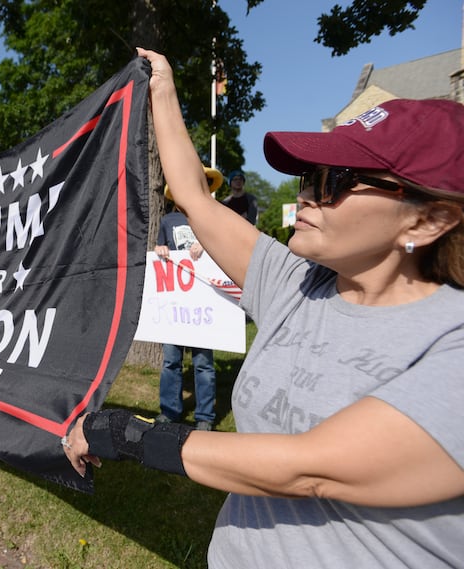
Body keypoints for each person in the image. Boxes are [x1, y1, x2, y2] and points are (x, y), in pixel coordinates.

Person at [63, 48, 464, 569]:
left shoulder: (450, 339)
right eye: (309, 177)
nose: (309, 196)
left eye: (336, 180)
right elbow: (193, 196)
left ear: (427, 221)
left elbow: (309, 470)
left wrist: (125, 433)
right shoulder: (297, 283)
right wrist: (162, 86)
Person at [154, 170, 222, 431]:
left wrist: (207, 246)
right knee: (171, 359)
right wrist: (160, 250)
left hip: (202, 305)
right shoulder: (168, 220)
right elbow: (160, 252)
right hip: (175, 306)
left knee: (203, 363)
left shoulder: (213, 218)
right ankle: (170, 411)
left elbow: (224, 250)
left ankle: (204, 417)